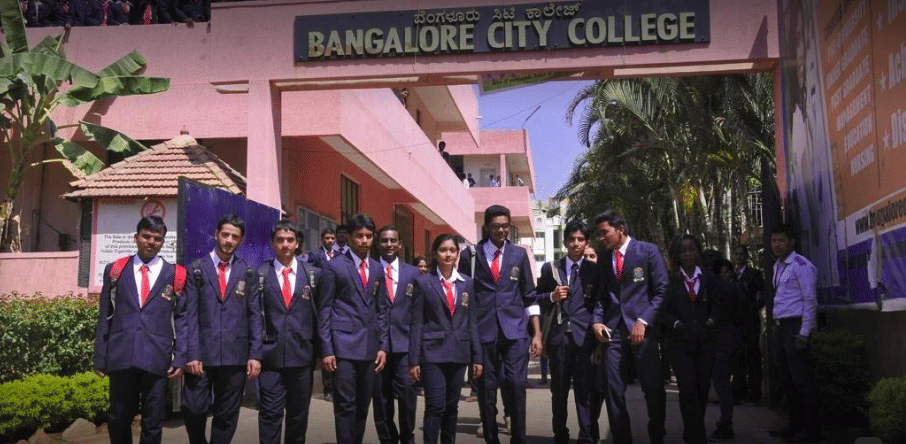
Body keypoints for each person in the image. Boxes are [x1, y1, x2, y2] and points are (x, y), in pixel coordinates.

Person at [93, 215, 186, 444]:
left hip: (157, 356)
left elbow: (183, 318)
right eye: (146, 236)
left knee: (154, 420)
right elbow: (105, 314)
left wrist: (181, 355)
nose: (151, 242)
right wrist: (100, 356)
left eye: (157, 238)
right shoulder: (115, 270)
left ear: (163, 242)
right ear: (136, 238)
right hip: (121, 353)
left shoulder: (176, 274)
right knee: (118, 416)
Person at [182, 215, 262, 444]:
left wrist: (255, 354)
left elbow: (255, 315)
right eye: (225, 234)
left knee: (227, 414)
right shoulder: (196, 269)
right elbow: (189, 314)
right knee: (193, 408)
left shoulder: (247, 271)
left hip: (234, 355)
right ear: (216, 234)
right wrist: (191, 353)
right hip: (201, 357)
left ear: (241, 240)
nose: (228, 240)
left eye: (234, 236)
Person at [591, 210, 668, 444]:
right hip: (612, 335)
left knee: (653, 389)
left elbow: (662, 291)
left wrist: (643, 321)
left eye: (604, 232)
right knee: (613, 390)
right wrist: (596, 321)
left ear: (620, 230)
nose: (601, 238)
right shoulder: (604, 259)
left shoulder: (648, 251)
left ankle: (657, 436)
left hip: (643, 332)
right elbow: (601, 297)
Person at [468, 205, 537, 444]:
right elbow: (464, 295)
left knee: (516, 385)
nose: (501, 230)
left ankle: (519, 437)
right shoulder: (471, 255)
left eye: (505, 226)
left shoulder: (518, 254)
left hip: (515, 332)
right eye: (496, 226)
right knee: (487, 391)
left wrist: (536, 333)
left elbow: (530, 295)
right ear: (487, 227)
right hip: (484, 332)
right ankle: (491, 438)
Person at [319, 214, 390, 444]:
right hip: (343, 347)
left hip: (369, 348)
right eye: (359, 236)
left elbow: (381, 310)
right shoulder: (335, 267)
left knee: (362, 405)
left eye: (369, 236)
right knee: (345, 406)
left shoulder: (378, 269)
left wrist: (383, 346)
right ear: (349, 237)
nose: (365, 240)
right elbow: (325, 309)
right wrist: (327, 349)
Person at [409, 234, 483, 444]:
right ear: (435, 253)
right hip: (432, 353)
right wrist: (413, 360)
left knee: (452, 408)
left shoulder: (467, 283)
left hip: (459, 353)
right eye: (443, 250)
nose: (448, 254)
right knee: (435, 406)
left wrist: (477, 358)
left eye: (452, 250)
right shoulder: (423, 282)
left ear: (458, 254)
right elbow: (416, 322)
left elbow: (472, 322)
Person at [536, 220, 604, 444]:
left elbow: (599, 304)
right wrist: (551, 297)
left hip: (584, 339)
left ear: (587, 243)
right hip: (558, 339)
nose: (576, 243)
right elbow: (535, 300)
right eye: (572, 239)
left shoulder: (595, 270)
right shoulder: (550, 269)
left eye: (581, 239)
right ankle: (560, 434)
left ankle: (585, 436)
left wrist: (597, 337)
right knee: (559, 391)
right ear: (565, 242)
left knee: (584, 392)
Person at [256, 220, 322, 444]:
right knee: (269, 415)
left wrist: (322, 352)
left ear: (297, 244)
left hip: (302, 357)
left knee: (298, 416)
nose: (285, 244)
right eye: (280, 240)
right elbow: (255, 317)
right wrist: (254, 354)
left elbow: (320, 316)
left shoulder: (313, 275)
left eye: (290, 240)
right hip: (270, 358)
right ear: (273, 243)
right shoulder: (260, 274)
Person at [661, 234, 720, 444]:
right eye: (684, 250)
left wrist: (713, 318)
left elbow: (719, 305)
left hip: (705, 343)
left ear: (698, 252)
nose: (688, 253)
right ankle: (697, 436)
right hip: (679, 345)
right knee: (687, 390)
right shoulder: (669, 280)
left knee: (702, 390)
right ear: (677, 254)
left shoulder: (708, 277)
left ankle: (692, 430)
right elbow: (662, 310)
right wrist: (676, 324)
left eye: (692, 249)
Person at [767, 224, 821, 443]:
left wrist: (805, 333)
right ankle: (795, 425)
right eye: (773, 241)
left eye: (781, 240)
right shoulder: (778, 266)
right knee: (787, 380)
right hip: (780, 327)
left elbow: (810, 300)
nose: (776, 245)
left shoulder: (802, 265)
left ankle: (812, 430)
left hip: (796, 327)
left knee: (803, 381)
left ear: (792, 242)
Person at [372, 226, 420, 444]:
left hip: (405, 346)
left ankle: (407, 438)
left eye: (393, 241)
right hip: (377, 347)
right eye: (384, 241)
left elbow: (420, 313)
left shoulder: (414, 273)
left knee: (407, 397)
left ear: (400, 244)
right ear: (378, 243)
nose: (389, 245)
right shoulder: (370, 271)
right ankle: (387, 439)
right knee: (381, 400)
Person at [709, 258, 745, 441]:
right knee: (724, 385)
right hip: (731, 338)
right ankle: (725, 423)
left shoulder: (714, 289)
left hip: (718, 340)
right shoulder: (732, 287)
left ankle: (726, 425)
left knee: (722, 385)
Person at [731, 244, 765, 403]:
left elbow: (763, 295)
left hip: (750, 321)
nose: (738, 257)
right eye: (736, 254)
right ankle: (739, 391)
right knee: (737, 357)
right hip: (734, 322)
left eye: (741, 254)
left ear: (746, 256)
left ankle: (755, 392)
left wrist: (752, 309)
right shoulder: (730, 275)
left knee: (753, 356)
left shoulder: (754, 274)